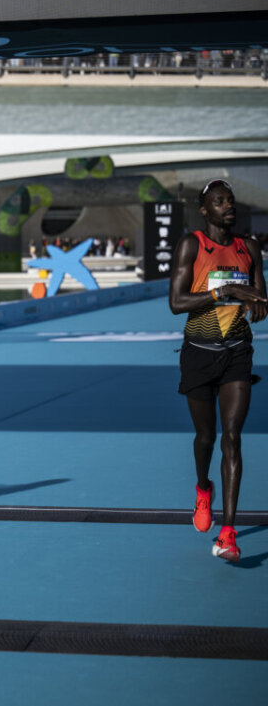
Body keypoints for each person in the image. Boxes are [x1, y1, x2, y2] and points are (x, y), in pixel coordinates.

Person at [169, 179, 267, 563]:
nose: (229, 206)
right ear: (205, 210)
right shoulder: (192, 244)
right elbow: (177, 303)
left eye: (231, 200)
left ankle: (228, 534)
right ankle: (202, 488)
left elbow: (259, 296)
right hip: (198, 352)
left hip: (237, 353)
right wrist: (223, 292)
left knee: (232, 438)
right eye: (219, 201)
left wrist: (260, 306)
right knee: (206, 437)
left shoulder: (250, 248)